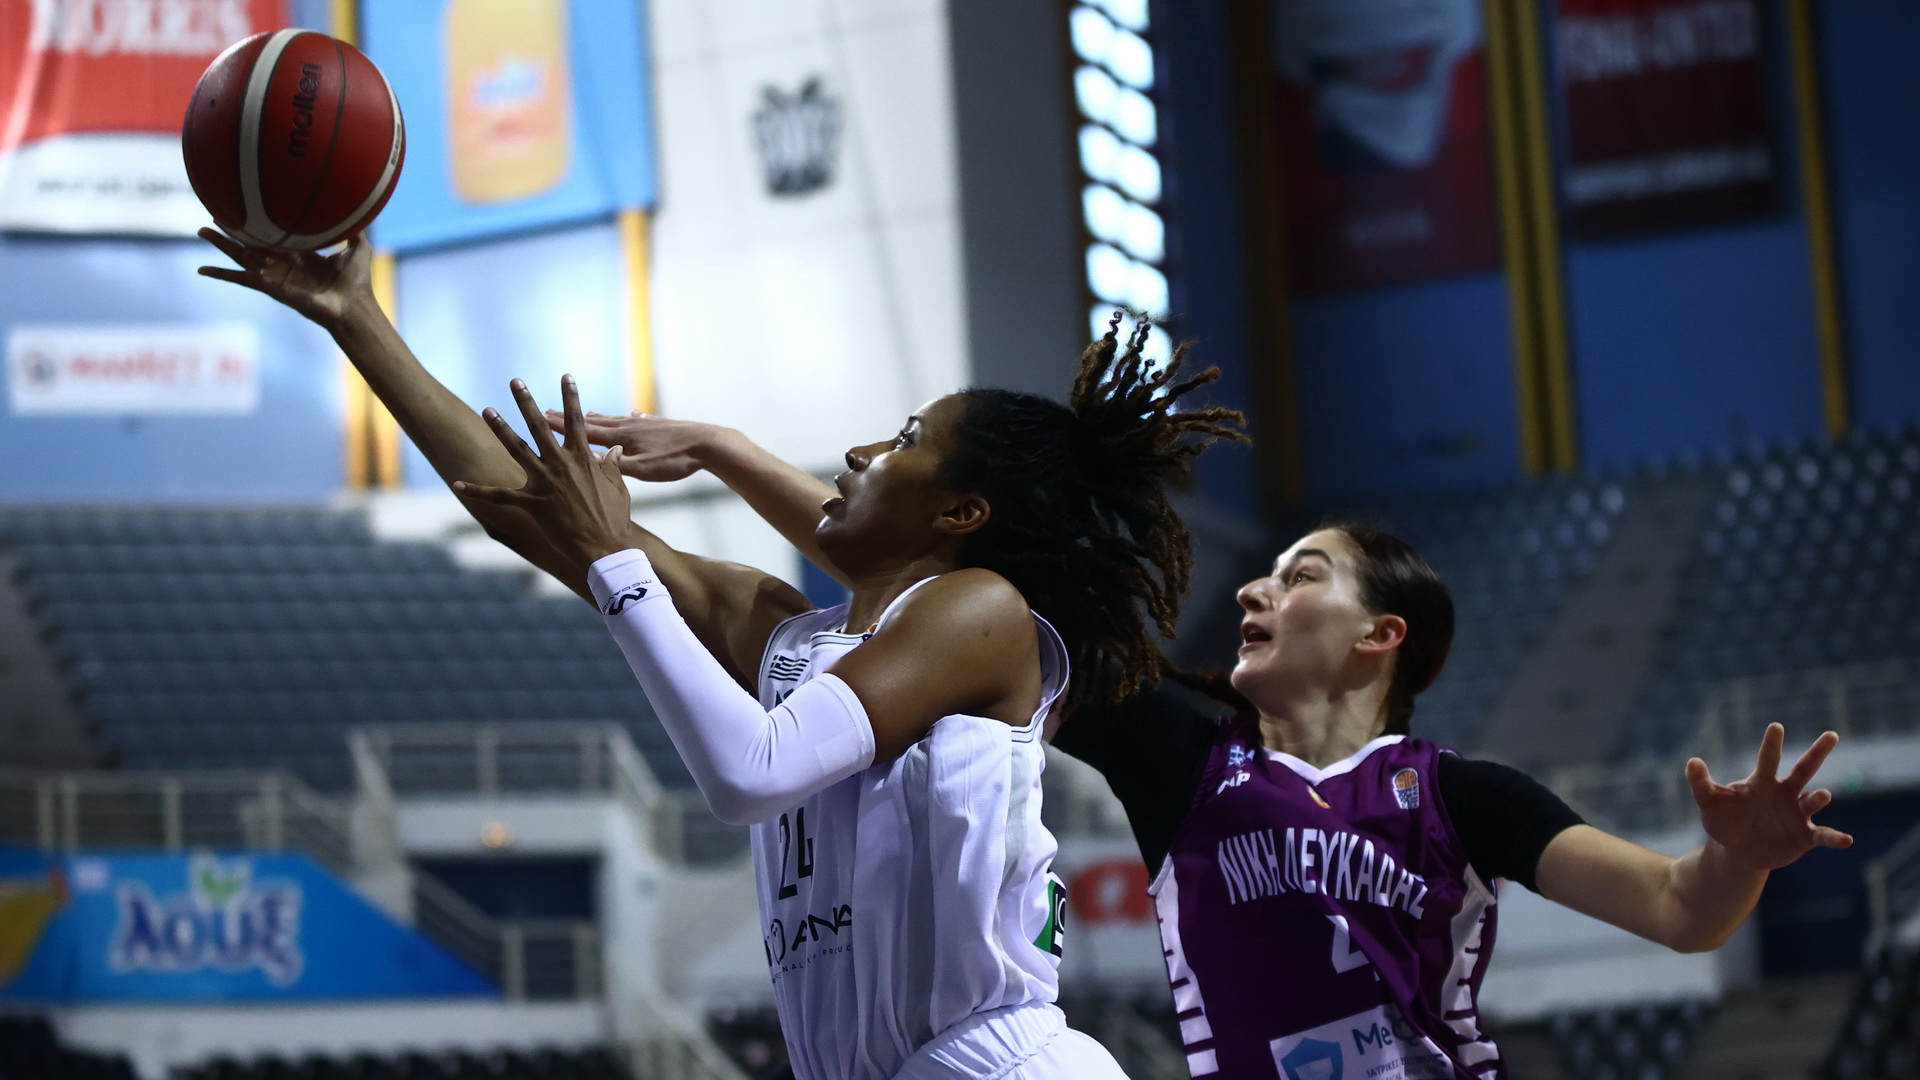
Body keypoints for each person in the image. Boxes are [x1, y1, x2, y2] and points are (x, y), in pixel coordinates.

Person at [197, 228, 1246, 1079]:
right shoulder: (791, 637)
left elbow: (752, 771)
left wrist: (621, 560)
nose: (859, 452)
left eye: (903, 439)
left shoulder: (981, 612)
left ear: (961, 511)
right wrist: (356, 318)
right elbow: (522, 507)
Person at [572, 420, 1857, 1080]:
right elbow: (912, 566)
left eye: (1302, 576)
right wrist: (735, 453)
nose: (1255, 588)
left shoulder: (1462, 797)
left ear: (1381, 636)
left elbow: (1680, 911)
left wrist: (1738, 857)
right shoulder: (1184, 756)